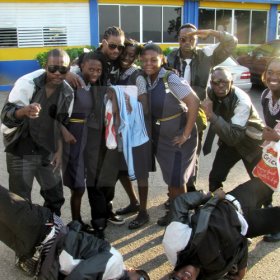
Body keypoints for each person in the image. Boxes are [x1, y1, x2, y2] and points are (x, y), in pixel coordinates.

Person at [0, 184, 150, 280]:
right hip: (42, 228)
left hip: (32, 247)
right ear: (133, 269)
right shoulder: (115, 263)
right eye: (141, 279)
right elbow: (80, 274)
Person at [1, 49, 74, 216]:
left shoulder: (67, 92)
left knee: (55, 197)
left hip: (46, 148)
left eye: (62, 69)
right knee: (20, 200)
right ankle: (25, 237)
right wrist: (24, 111)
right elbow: (6, 115)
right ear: (45, 66)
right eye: (52, 68)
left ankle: (51, 233)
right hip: (21, 146)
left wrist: (59, 150)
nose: (57, 73)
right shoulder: (28, 83)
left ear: (68, 69)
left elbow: (60, 123)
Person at [167, 23, 238, 192]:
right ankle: (175, 190)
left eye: (192, 38)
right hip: (175, 113)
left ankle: (190, 190)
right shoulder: (170, 58)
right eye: (183, 38)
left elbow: (231, 42)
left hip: (196, 112)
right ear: (178, 40)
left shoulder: (207, 56)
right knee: (174, 152)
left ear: (197, 39)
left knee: (193, 153)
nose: (187, 41)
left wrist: (213, 32)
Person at [163, 178, 280, 280]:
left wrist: (211, 196)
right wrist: (242, 267)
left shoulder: (175, 244)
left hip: (233, 202)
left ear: (171, 275)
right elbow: (239, 245)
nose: (184, 278)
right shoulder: (212, 273)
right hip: (247, 226)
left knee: (269, 177)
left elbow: (181, 203)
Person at [141, 43, 199, 226]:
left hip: (180, 137)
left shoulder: (170, 78)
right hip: (162, 137)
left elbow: (194, 102)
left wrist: (186, 134)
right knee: (171, 178)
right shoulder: (147, 79)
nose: (148, 63)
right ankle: (175, 211)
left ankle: (181, 218)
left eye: (153, 60)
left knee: (177, 179)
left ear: (162, 60)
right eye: (144, 60)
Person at [61, 52, 106, 234]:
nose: (95, 73)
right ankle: (76, 221)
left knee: (89, 179)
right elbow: (54, 109)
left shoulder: (89, 83)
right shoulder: (72, 81)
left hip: (89, 135)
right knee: (78, 184)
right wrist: (65, 72)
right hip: (74, 136)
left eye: (98, 70)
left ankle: (80, 221)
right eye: (91, 69)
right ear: (81, 67)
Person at [201, 67, 264, 192]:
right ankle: (217, 205)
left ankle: (266, 207)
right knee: (215, 178)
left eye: (224, 81)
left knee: (259, 181)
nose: (220, 86)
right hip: (229, 141)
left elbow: (234, 137)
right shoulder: (211, 92)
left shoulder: (242, 101)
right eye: (215, 82)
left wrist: (212, 116)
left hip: (251, 143)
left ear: (232, 82)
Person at [115, 38, 152, 229]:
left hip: (137, 131)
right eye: (125, 53)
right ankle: (133, 201)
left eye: (132, 55)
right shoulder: (115, 73)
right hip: (121, 131)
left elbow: (145, 107)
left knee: (141, 172)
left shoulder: (137, 76)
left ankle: (143, 211)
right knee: (121, 169)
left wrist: (132, 104)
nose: (127, 58)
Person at [93, 26, 127, 225]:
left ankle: (108, 209)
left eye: (119, 47)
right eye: (112, 46)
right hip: (95, 128)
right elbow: (73, 69)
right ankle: (99, 219)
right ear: (103, 42)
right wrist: (70, 72)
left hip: (112, 128)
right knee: (96, 174)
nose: (116, 51)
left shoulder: (117, 62)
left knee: (111, 172)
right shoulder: (91, 58)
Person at [260, 56, 280, 242]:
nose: (274, 77)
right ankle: (272, 223)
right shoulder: (265, 95)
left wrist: (277, 137)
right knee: (267, 183)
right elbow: (267, 124)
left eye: (279, 73)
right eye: (271, 72)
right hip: (273, 149)